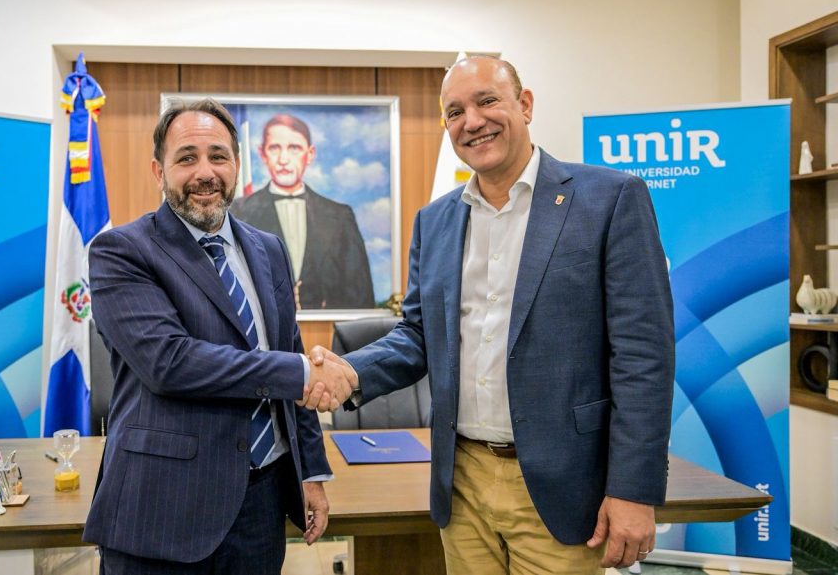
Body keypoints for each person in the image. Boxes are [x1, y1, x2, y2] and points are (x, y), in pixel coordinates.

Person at [306, 56, 675, 573]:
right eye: (455, 112)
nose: (472, 121)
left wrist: (633, 490)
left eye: (486, 101)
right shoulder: (435, 221)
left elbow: (643, 356)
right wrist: (351, 371)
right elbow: (418, 335)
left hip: (562, 486)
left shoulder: (609, 199)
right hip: (462, 483)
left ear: (525, 105)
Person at [83, 98, 356, 574]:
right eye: (186, 158)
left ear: (236, 166)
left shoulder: (268, 249)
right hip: (162, 508)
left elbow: (288, 351)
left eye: (218, 156)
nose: (205, 172)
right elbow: (170, 362)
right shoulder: (122, 251)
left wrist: (310, 471)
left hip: (261, 507)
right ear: (159, 171)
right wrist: (301, 373)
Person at [231, 113, 375, 310]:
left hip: (329, 328)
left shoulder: (341, 216)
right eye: (275, 148)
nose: (283, 159)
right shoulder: (238, 212)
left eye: (294, 148)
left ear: (310, 154)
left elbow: (361, 295)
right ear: (263, 154)